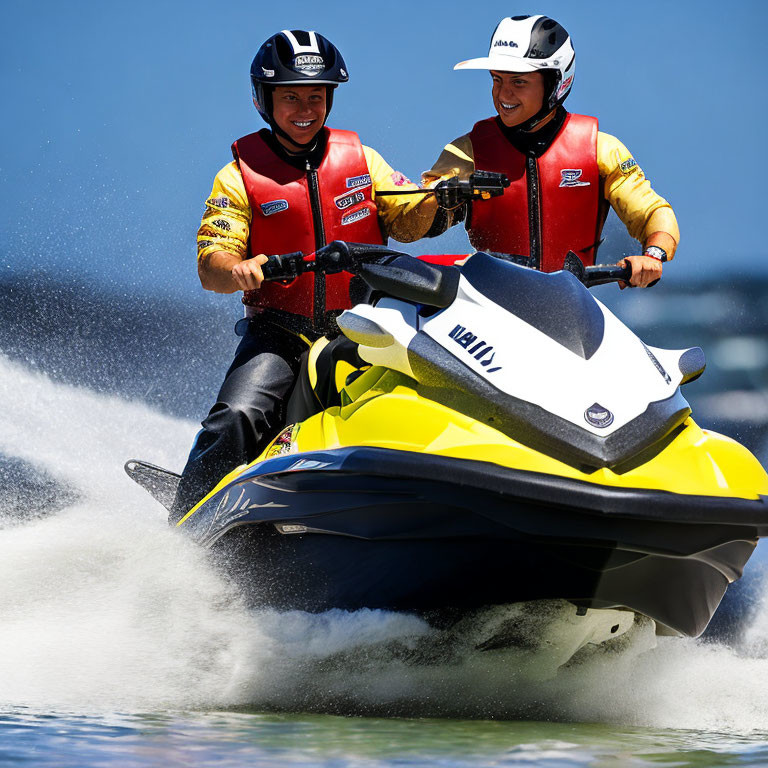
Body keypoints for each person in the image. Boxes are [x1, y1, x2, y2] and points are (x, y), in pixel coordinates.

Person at [173, 29, 433, 520]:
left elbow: (409, 218)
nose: (305, 108)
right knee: (236, 417)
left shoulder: (363, 160)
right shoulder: (238, 175)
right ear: (263, 100)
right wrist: (240, 268)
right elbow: (212, 264)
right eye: (290, 95)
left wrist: (444, 199)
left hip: (364, 329)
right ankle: (183, 526)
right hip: (280, 333)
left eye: (316, 95)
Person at [418, 15, 679, 286]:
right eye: (497, 80)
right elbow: (414, 221)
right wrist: (438, 198)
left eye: (518, 82)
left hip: (570, 310)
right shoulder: (466, 152)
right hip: (488, 308)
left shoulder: (601, 150)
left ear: (555, 83)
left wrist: (653, 255)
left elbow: (653, 212)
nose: (503, 95)